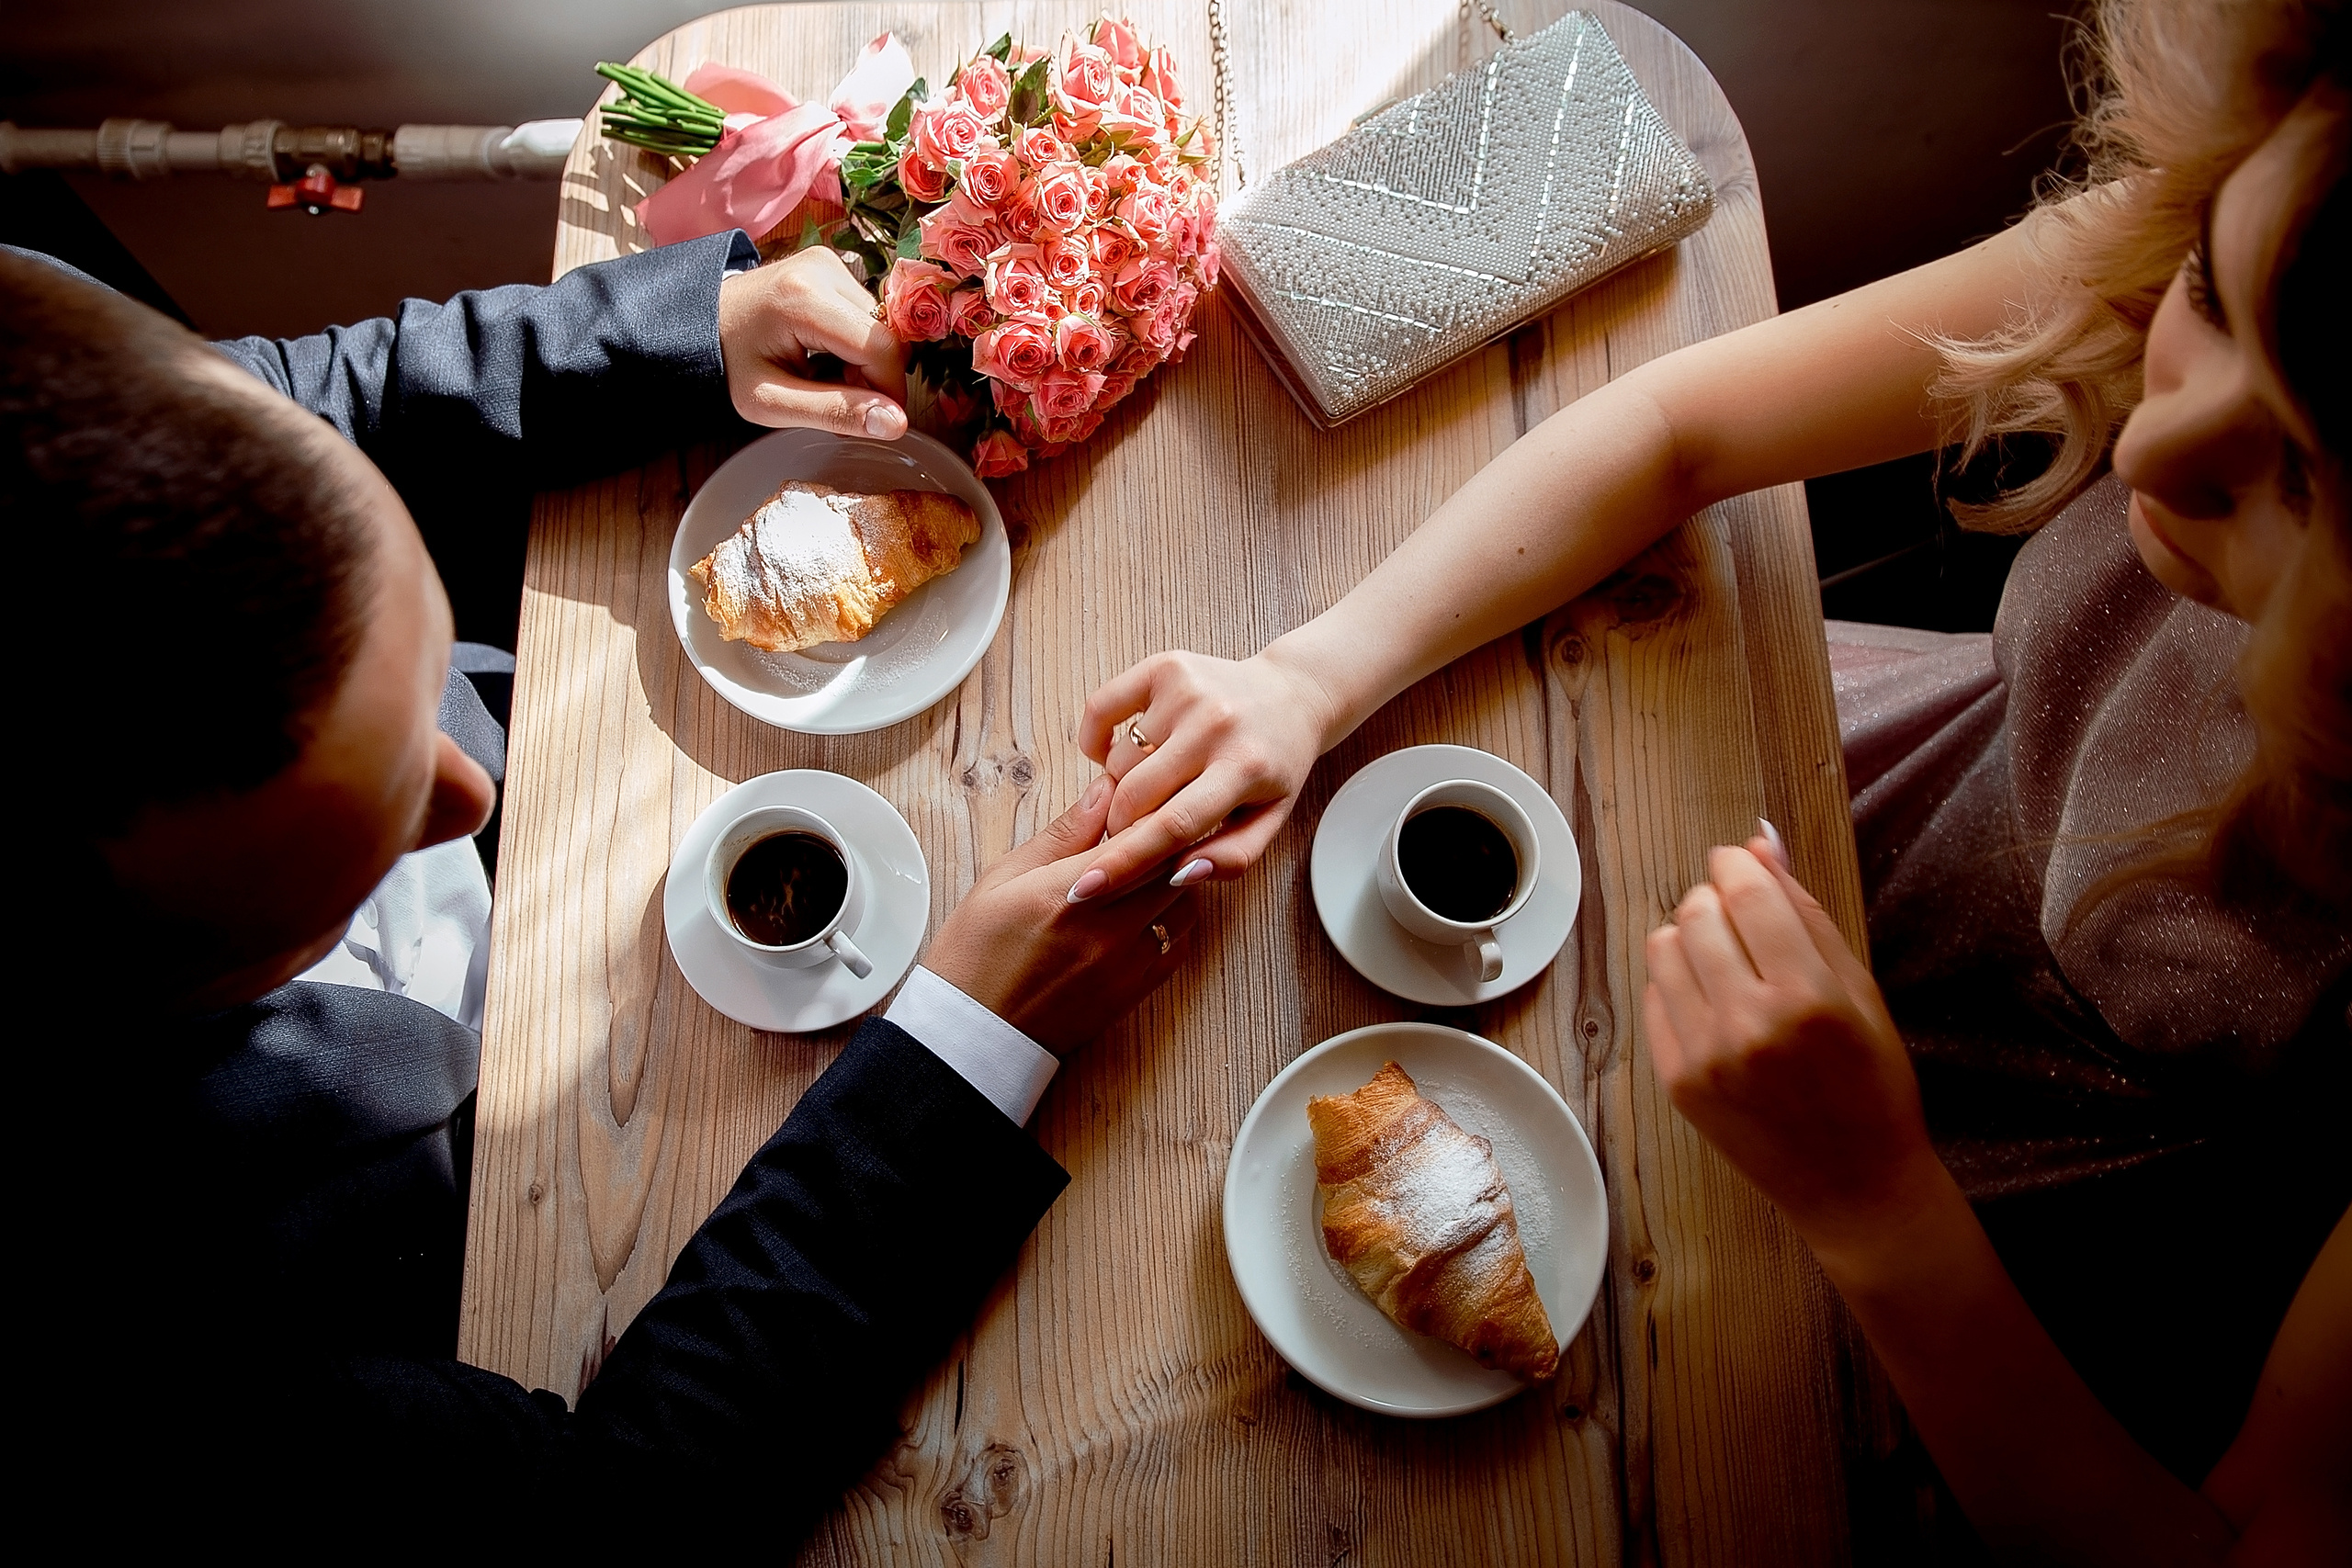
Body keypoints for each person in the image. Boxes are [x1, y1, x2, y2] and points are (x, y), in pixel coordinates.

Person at [1067, 0, 2349, 1557]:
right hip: (1912, 771)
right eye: (2212, 295)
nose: (2158, 448)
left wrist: (1879, 1206)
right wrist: (1305, 677)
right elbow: (1680, 425)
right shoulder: (2274, 211)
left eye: (2301, 473)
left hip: (2015, 1250)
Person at [7, 239, 1196, 1532]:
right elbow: (623, 1522)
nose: (474, 790)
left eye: (416, 717)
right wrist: (971, 1046)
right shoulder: (127, 1366)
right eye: (369, 828)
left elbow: (314, 393)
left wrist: (703, 325)